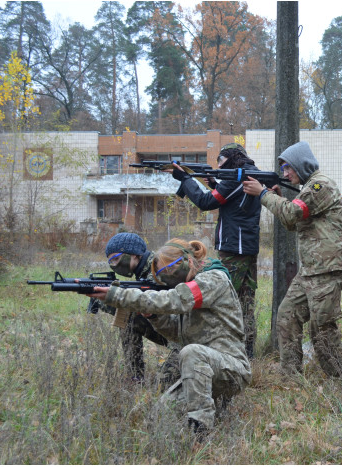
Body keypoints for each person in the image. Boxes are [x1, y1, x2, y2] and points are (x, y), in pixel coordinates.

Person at [87, 238, 250, 436]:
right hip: (203, 369)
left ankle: (200, 430)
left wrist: (119, 296)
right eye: (163, 275)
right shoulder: (191, 285)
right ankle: (214, 403)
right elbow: (176, 333)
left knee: (191, 352)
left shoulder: (213, 279)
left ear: (188, 261)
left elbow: (176, 299)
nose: (168, 278)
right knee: (160, 414)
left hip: (231, 369)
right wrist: (153, 316)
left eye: (170, 270)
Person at [242, 141, 342, 378]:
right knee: (287, 315)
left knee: (322, 327)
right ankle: (291, 375)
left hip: (327, 268)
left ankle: (339, 379)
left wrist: (262, 194)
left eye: (287, 168)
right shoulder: (307, 189)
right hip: (312, 269)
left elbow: (291, 212)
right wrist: (278, 198)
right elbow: (292, 222)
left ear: (300, 165)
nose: (285, 173)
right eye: (283, 170)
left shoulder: (319, 186)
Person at [170, 143, 261, 359]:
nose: (217, 165)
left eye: (220, 161)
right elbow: (230, 201)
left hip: (234, 248)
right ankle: (247, 354)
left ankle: (229, 351)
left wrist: (185, 179)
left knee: (223, 298)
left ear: (229, 159)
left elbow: (205, 202)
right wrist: (214, 183)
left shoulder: (237, 177)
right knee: (245, 301)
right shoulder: (245, 176)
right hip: (244, 246)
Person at [90, 232, 179, 385]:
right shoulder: (145, 270)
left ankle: (136, 377)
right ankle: (134, 378)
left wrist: (112, 300)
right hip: (172, 329)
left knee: (164, 385)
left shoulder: (158, 269)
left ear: (135, 254)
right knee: (128, 319)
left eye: (116, 259)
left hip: (188, 337)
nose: (114, 265)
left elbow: (159, 304)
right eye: (111, 261)